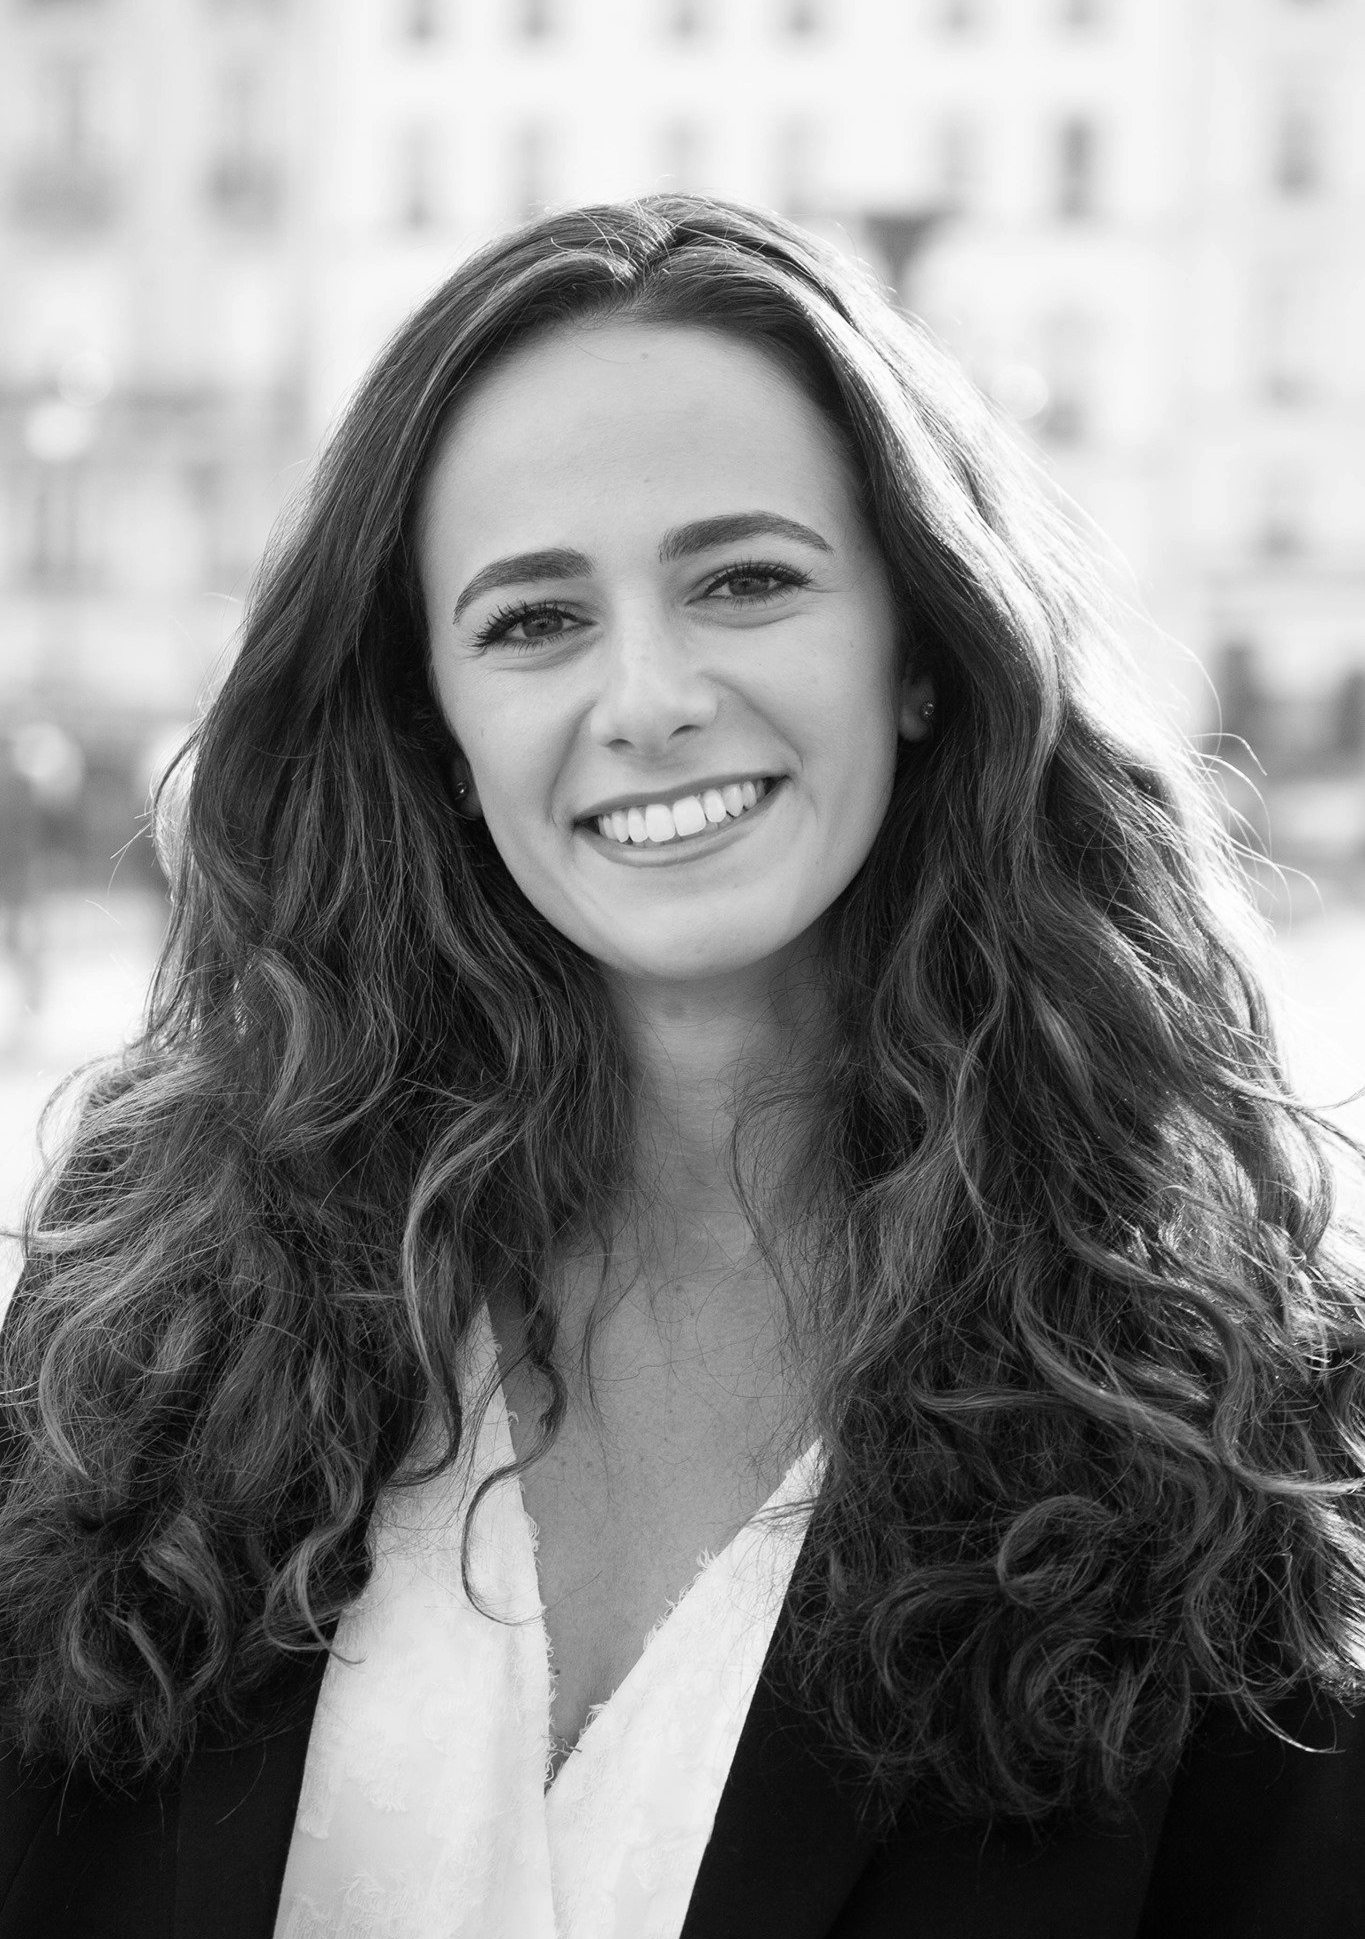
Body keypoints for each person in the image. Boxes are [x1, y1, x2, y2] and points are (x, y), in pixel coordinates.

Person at [2, 194, 1364, 1939]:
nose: (647, 698)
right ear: (436, 726)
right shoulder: (151, 1287)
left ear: (921, 651)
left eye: (745, 581)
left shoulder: (1230, 1399)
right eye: (531, 621)